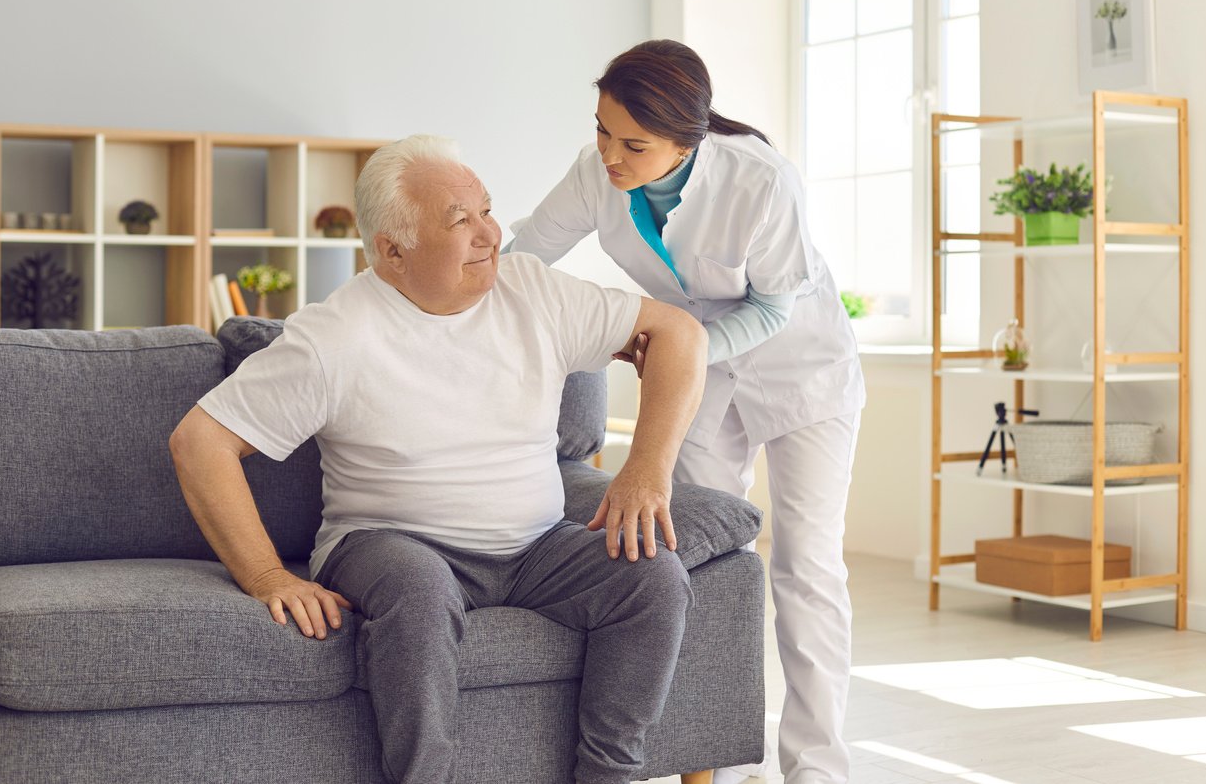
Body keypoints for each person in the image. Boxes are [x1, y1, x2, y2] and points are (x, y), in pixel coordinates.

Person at [168, 134, 709, 784]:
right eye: (460, 220)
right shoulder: (336, 334)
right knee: (419, 586)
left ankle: (606, 776)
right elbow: (201, 440)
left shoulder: (531, 290)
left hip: (537, 548)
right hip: (388, 543)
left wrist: (644, 469)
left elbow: (678, 332)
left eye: (486, 209)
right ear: (392, 251)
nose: (489, 233)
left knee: (650, 574)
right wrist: (265, 574)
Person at [507, 40, 865, 784]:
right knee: (700, 557)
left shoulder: (760, 180)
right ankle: (718, 755)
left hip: (805, 371)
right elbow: (525, 257)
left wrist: (684, 348)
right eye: (601, 130)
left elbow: (772, 302)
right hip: (704, 375)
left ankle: (817, 768)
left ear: (686, 140)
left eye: (632, 143)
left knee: (807, 566)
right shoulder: (595, 171)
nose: (610, 154)